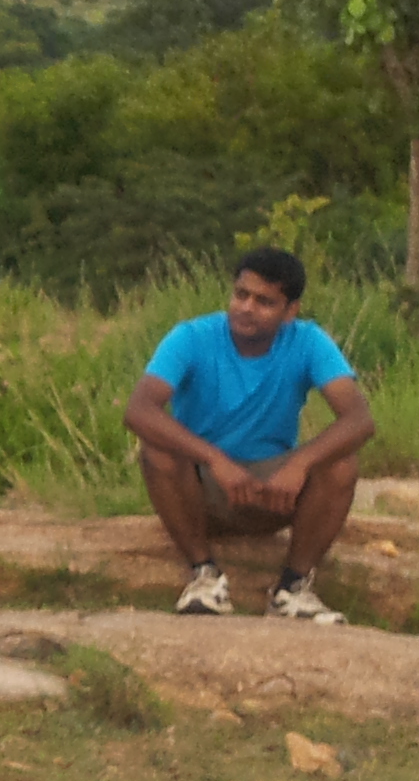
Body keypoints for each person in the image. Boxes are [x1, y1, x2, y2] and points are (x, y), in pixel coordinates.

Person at [122, 246, 373, 623]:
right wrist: (215, 460)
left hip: (273, 490)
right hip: (203, 488)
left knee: (341, 463)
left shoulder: (308, 341)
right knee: (156, 450)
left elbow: (359, 419)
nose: (246, 308)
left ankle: (293, 588)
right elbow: (139, 410)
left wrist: (300, 464)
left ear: (291, 311)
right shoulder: (192, 337)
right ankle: (204, 576)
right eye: (241, 295)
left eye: (265, 302)